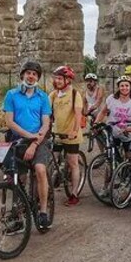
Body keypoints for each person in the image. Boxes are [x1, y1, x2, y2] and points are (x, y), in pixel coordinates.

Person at [3, 60, 53, 230]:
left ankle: (43, 212)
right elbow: (9, 121)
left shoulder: (43, 97)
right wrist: (27, 136)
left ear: (37, 77)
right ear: (22, 75)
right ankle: (17, 215)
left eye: (34, 74)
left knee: (40, 169)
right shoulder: (11, 94)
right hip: (18, 140)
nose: (31, 76)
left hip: (39, 140)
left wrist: (35, 141)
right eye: (28, 73)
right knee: (18, 178)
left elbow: (45, 123)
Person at [48, 65, 84, 206]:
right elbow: (46, 112)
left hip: (71, 135)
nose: (57, 81)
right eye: (56, 78)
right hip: (57, 132)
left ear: (67, 80)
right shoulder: (53, 95)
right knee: (52, 160)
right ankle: (51, 187)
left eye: (59, 78)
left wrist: (74, 131)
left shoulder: (75, 94)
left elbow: (77, 115)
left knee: (73, 163)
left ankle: (74, 193)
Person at [96, 75, 131, 159]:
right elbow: (103, 112)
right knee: (112, 156)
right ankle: (114, 169)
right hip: (113, 132)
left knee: (129, 157)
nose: (124, 88)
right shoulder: (111, 99)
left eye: (127, 85)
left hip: (128, 133)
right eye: (122, 85)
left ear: (130, 87)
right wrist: (96, 123)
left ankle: (128, 170)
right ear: (118, 87)